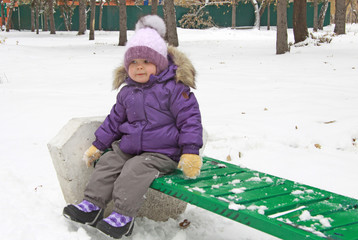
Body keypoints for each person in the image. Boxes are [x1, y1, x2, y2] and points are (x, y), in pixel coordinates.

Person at [63, 15, 203, 239]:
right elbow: (114, 121)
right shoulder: (127, 92)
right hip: (130, 147)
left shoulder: (174, 89)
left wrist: (190, 152)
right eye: (134, 63)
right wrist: (99, 145)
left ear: (160, 63)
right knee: (109, 161)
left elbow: (190, 120)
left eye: (146, 62)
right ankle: (92, 205)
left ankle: (123, 217)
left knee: (135, 169)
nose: (139, 68)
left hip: (163, 152)